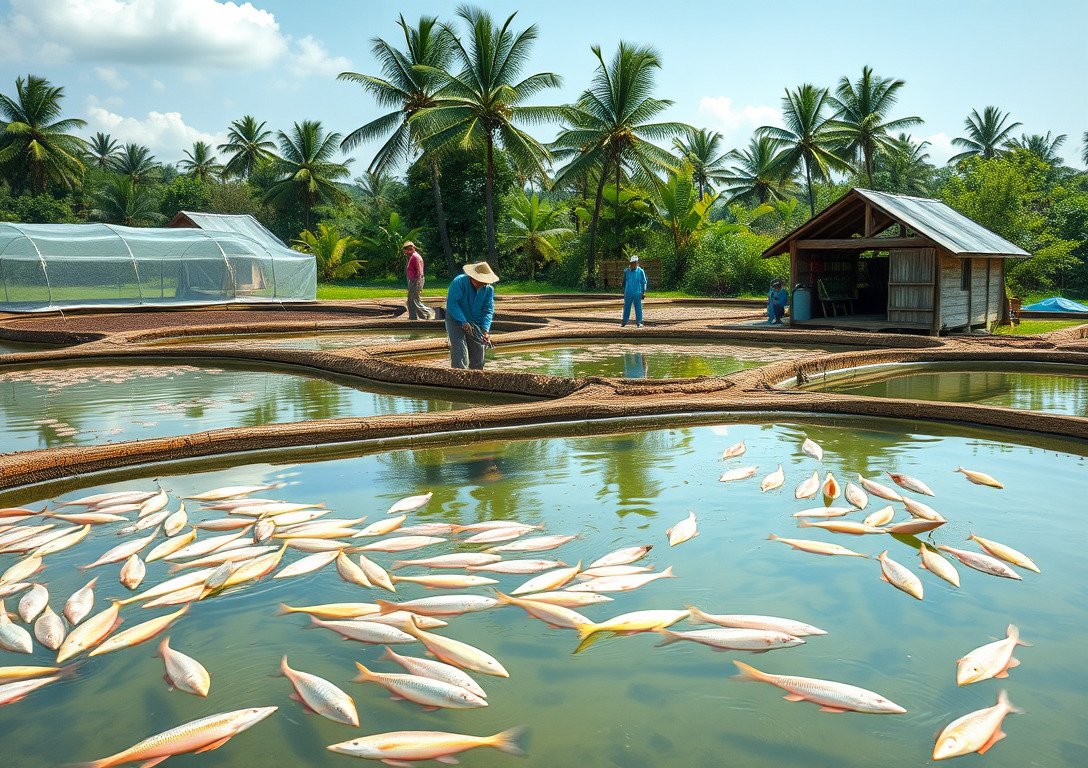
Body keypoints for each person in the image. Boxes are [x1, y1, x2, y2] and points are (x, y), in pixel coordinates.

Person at [445, 261, 499, 370]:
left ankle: (476, 377)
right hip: (455, 319)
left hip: (474, 320)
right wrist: (463, 321)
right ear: (471, 277)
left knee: (479, 350)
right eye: (478, 281)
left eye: (483, 282)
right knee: (459, 349)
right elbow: (452, 303)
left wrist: (485, 330)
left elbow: (487, 310)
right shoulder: (459, 282)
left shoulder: (488, 290)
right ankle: (459, 376)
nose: (480, 284)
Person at [403, 241, 434, 321]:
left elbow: (419, 272)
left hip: (416, 280)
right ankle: (413, 317)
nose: (404, 252)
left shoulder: (415, 257)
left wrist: (415, 282)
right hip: (414, 280)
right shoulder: (412, 256)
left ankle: (429, 312)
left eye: (405, 250)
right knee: (410, 300)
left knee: (414, 300)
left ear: (410, 249)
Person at [621, 254, 648, 327]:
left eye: (634, 263)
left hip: (637, 292)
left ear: (637, 263)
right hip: (628, 292)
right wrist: (623, 290)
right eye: (631, 263)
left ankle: (639, 322)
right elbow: (624, 281)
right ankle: (624, 321)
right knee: (626, 306)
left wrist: (643, 292)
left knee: (638, 307)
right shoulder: (627, 271)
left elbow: (644, 282)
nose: (632, 264)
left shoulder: (640, 271)